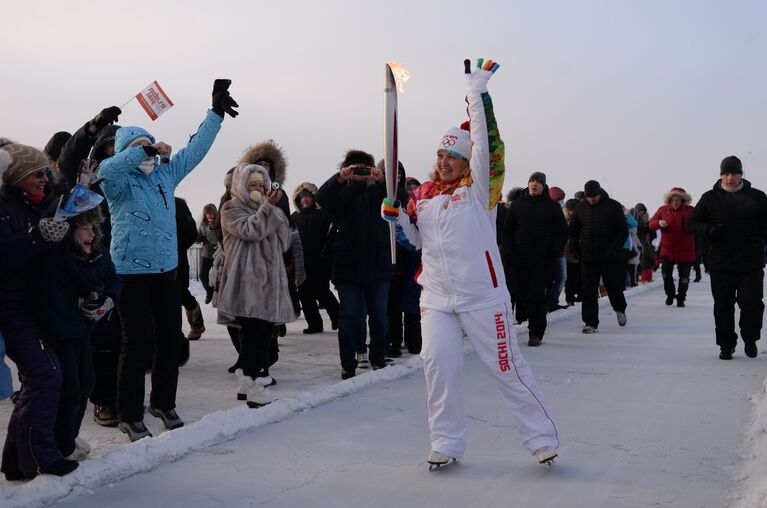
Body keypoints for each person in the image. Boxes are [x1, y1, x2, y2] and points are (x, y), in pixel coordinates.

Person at [385, 59, 559, 467]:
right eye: (440, 154)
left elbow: (485, 145)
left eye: (453, 156)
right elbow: (416, 241)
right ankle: (445, 443)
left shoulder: (482, 192)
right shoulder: (423, 195)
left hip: (482, 296)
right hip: (438, 297)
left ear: (466, 162)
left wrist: (477, 94)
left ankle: (541, 437)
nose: (444, 161)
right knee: (438, 368)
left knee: (506, 368)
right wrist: (395, 221)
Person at [99, 79, 238, 441]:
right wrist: (140, 150)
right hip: (129, 274)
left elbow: (195, 151)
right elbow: (106, 171)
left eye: (148, 145)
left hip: (166, 271)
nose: (147, 155)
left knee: (169, 342)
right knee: (137, 343)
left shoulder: (165, 174)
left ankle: (163, 402)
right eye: (137, 148)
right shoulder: (120, 183)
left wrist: (215, 113)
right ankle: (130, 414)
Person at [0, 143, 79, 479]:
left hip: (33, 305)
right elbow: (6, 257)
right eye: (36, 173)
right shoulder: (5, 208)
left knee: (42, 379)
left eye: (45, 172)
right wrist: (39, 238)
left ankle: (17, 462)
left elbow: (60, 192)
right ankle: (40, 457)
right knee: (45, 375)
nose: (43, 179)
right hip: (11, 307)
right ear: (16, 175)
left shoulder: (30, 204)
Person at [34, 207, 121, 462]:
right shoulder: (59, 258)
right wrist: (89, 294)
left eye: (93, 228)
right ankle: (60, 443)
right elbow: (78, 283)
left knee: (86, 383)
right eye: (84, 228)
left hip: (83, 330)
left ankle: (68, 436)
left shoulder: (99, 252)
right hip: (59, 331)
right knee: (69, 388)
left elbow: (114, 280)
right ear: (70, 232)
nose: (91, 234)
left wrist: (107, 302)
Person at [317, 149, 400, 379]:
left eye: (364, 168)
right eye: (355, 169)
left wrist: (383, 180)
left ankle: (378, 358)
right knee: (350, 315)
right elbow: (322, 198)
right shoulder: (341, 195)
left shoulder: (380, 192)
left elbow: (402, 200)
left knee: (379, 316)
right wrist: (341, 179)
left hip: (379, 263)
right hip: (347, 265)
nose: (361, 173)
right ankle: (348, 363)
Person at [217, 164, 295, 406]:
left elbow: (284, 243)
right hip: (247, 285)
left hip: (269, 285)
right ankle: (253, 385)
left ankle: (248, 383)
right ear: (240, 185)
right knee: (253, 335)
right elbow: (251, 230)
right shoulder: (231, 208)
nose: (258, 189)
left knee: (262, 335)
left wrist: (276, 212)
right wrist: (268, 209)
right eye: (253, 185)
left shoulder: (269, 210)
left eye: (262, 185)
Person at [688, 156, 767, 360]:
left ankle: (750, 339)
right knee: (723, 307)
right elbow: (693, 223)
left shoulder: (758, 197)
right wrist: (709, 230)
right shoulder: (709, 198)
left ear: (741, 174)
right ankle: (726, 345)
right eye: (726, 173)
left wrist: (761, 239)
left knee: (751, 305)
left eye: (734, 173)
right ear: (721, 175)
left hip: (750, 263)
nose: (730, 178)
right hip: (720, 263)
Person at [502, 172, 568, 346]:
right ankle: (517, 326)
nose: (534, 185)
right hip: (518, 260)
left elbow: (562, 232)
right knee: (520, 294)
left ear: (543, 186)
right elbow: (507, 231)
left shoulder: (552, 207)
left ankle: (536, 333)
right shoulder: (517, 205)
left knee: (537, 297)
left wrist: (553, 251)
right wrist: (509, 252)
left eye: (538, 182)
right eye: (531, 181)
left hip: (542, 260)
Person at [569, 180, 628, 333]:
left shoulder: (613, 206)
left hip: (609, 256)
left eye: (594, 196)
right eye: (588, 197)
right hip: (587, 256)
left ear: (599, 193)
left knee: (612, 286)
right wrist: (574, 248)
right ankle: (590, 322)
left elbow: (622, 232)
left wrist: (614, 249)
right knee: (588, 289)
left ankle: (620, 309)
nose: (591, 199)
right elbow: (573, 230)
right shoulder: (580, 208)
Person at [291, 182, 339, 334]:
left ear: (313, 198)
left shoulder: (323, 214)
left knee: (322, 292)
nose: (304, 200)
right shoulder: (295, 217)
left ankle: (338, 318)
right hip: (302, 262)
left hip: (320, 261)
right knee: (304, 295)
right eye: (302, 197)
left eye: (307, 197)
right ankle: (314, 324)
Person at [649, 188, 696, 307]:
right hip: (667, 249)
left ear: (683, 200)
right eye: (673, 200)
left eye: (678, 200)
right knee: (666, 274)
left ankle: (681, 298)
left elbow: (700, 222)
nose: (675, 203)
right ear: (669, 200)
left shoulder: (691, 211)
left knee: (684, 277)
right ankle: (670, 295)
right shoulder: (663, 210)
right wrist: (659, 223)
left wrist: (693, 227)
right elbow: (651, 224)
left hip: (686, 250)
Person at [176, 197, 204, 341]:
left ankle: (196, 322)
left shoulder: (178, 204)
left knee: (181, 294)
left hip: (177, 261)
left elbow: (191, 233)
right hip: (151, 264)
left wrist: (172, 247)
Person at [546, 185, 568, 311]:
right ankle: (549, 303)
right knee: (552, 278)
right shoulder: (546, 212)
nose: (562, 202)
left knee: (561, 277)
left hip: (560, 251)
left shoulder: (561, 212)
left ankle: (552, 302)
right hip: (551, 251)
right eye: (559, 199)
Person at [197, 204, 219, 304]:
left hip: (219, 255)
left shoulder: (220, 222)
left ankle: (218, 296)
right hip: (206, 254)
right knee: (202, 275)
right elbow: (198, 238)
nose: (209, 215)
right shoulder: (202, 224)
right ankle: (209, 292)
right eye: (207, 213)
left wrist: (213, 228)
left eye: (211, 213)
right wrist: (199, 238)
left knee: (219, 277)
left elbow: (217, 239)